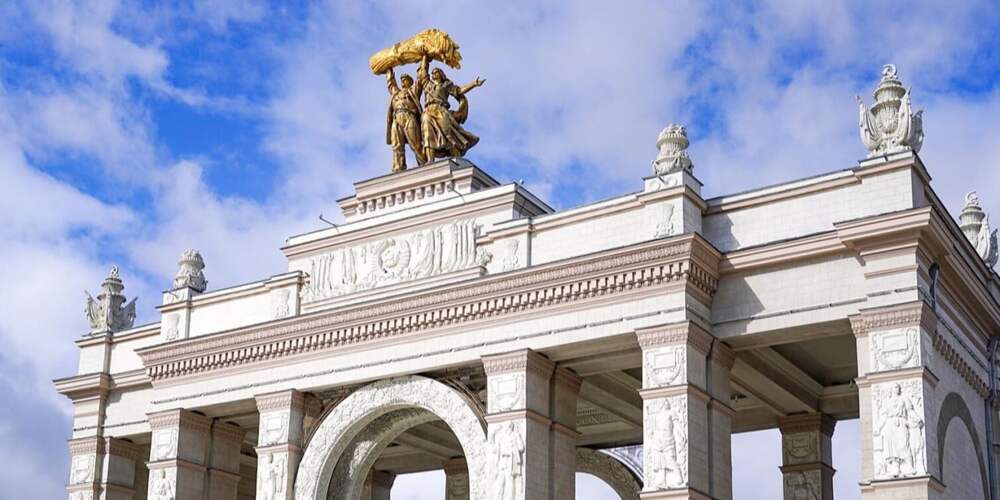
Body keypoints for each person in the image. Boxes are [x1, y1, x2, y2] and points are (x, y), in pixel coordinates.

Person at [421, 66, 485, 162]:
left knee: (448, 133)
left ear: (441, 74)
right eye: (433, 72)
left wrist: (474, 84)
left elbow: (459, 90)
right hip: (428, 111)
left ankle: (456, 157)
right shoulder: (427, 84)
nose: (434, 73)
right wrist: (425, 57)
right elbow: (423, 70)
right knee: (428, 134)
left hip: (440, 110)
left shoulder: (446, 85)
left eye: (436, 72)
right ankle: (430, 160)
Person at [385, 56, 429, 172]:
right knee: (397, 145)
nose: (403, 81)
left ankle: (424, 165)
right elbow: (391, 83)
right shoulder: (396, 93)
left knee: (416, 144)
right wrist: (388, 68)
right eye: (402, 79)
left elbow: (420, 77)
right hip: (397, 119)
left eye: (405, 79)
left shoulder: (413, 91)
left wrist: (424, 60)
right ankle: (398, 167)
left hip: (410, 117)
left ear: (410, 81)